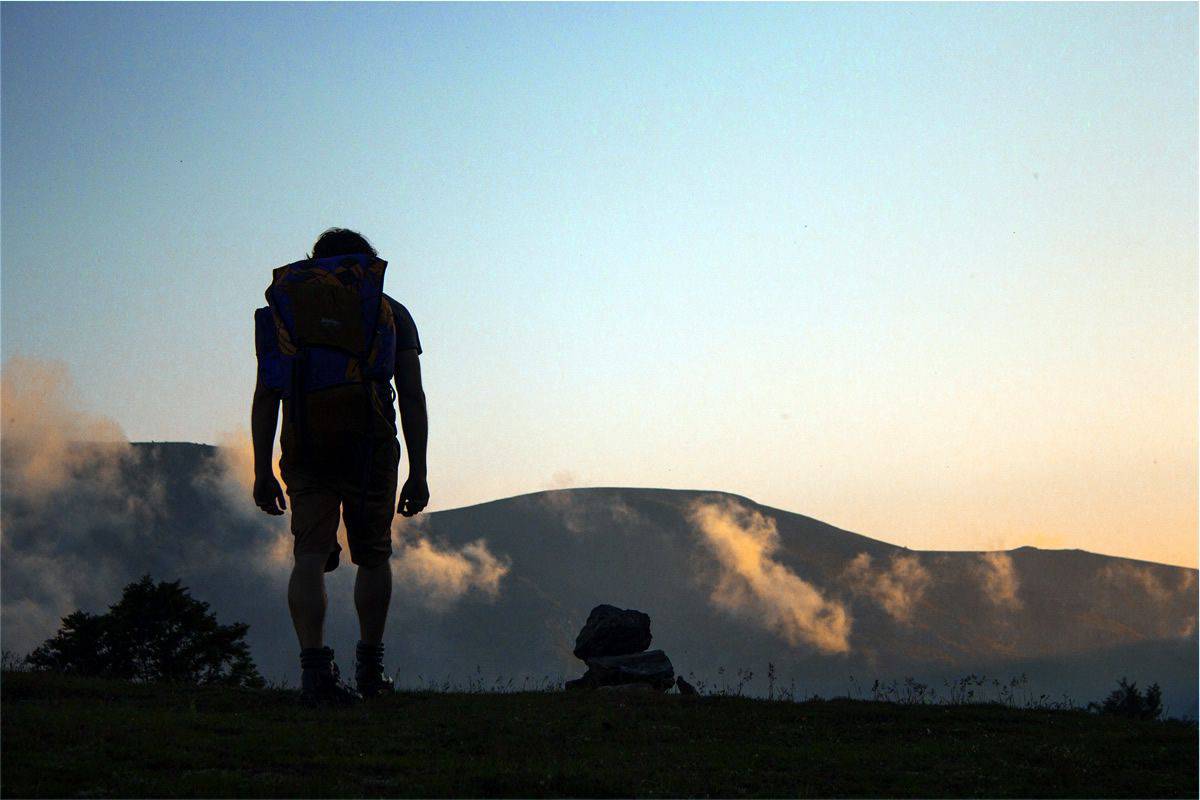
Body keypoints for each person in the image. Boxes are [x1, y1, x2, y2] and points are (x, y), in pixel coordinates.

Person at [251, 228, 429, 706]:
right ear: (364, 264)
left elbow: (268, 393)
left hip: (304, 442)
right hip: (369, 443)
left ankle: (315, 674)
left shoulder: (286, 313)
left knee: (308, 555)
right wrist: (419, 469)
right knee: (373, 555)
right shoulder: (388, 312)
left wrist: (262, 468)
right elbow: (410, 395)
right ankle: (370, 671)